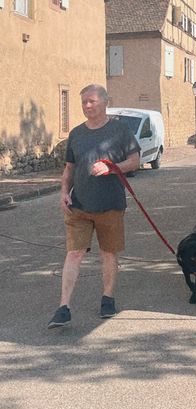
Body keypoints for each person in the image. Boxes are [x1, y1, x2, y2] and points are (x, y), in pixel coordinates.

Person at [48, 84, 140, 328]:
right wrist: (63, 193)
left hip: (110, 205)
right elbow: (69, 168)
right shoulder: (77, 133)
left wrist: (113, 167)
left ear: (105, 102)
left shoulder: (120, 131)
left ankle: (107, 298)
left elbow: (135, 161)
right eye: (84, 103)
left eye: (91, 101)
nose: (87, 106)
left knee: (108, 253)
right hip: (79, 206)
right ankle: (63, 307)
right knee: (74, 253)